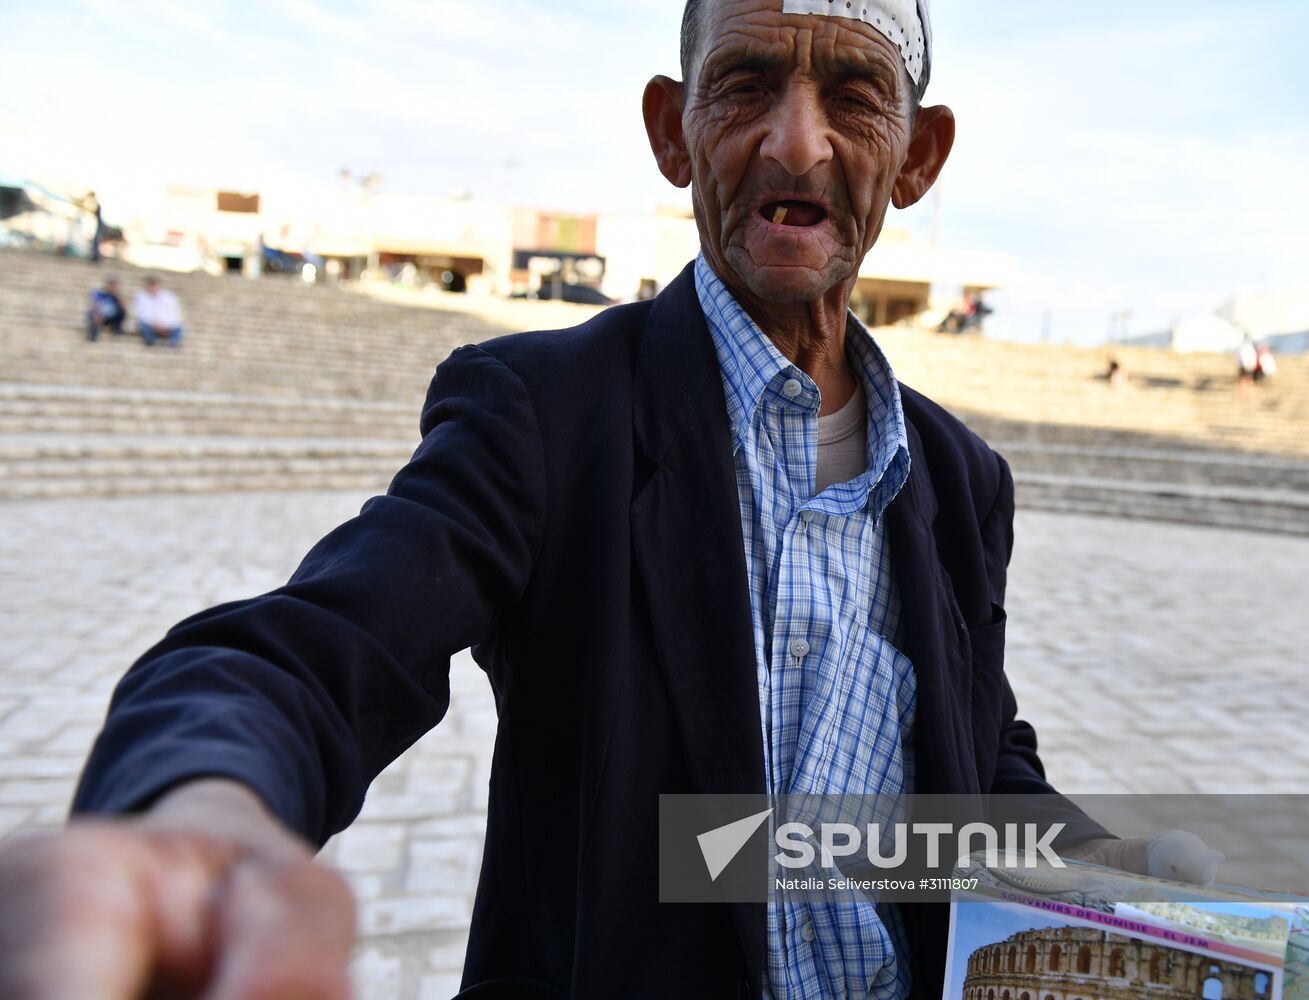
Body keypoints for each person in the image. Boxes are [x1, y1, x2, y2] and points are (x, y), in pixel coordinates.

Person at [0, 3, 1214, 998]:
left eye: (853, 94)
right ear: (673, 132)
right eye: (745, 85)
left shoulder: (959, 478)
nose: (797, 146)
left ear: (917, 155)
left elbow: (973, 753)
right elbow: (314, 649)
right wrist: (197, 817)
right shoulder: (546, 412)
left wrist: (1099, 866)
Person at [134, 274, 184, 347]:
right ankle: (150, 340)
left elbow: (174, 314)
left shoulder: (168, 297)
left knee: (178, 327)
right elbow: (141, 315)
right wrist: (154, 325)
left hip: (166, 327)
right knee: (142, 325)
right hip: (150, 326)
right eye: (150, 285)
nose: (152, 287)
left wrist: (165, 326)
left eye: (153, 285)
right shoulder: (141, 297)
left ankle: (173, 342)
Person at [85, 277, 126, 341]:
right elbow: (95, 304)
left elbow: (123, 307)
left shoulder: (115, 297)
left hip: (110, 317)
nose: (113, 288)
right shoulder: (100, 294)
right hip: (99, 315)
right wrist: (98, 313)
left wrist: (118, 296)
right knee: (91, 314)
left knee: (122, 312)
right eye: (112, 285)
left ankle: (116, 329)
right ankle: (93, 335)